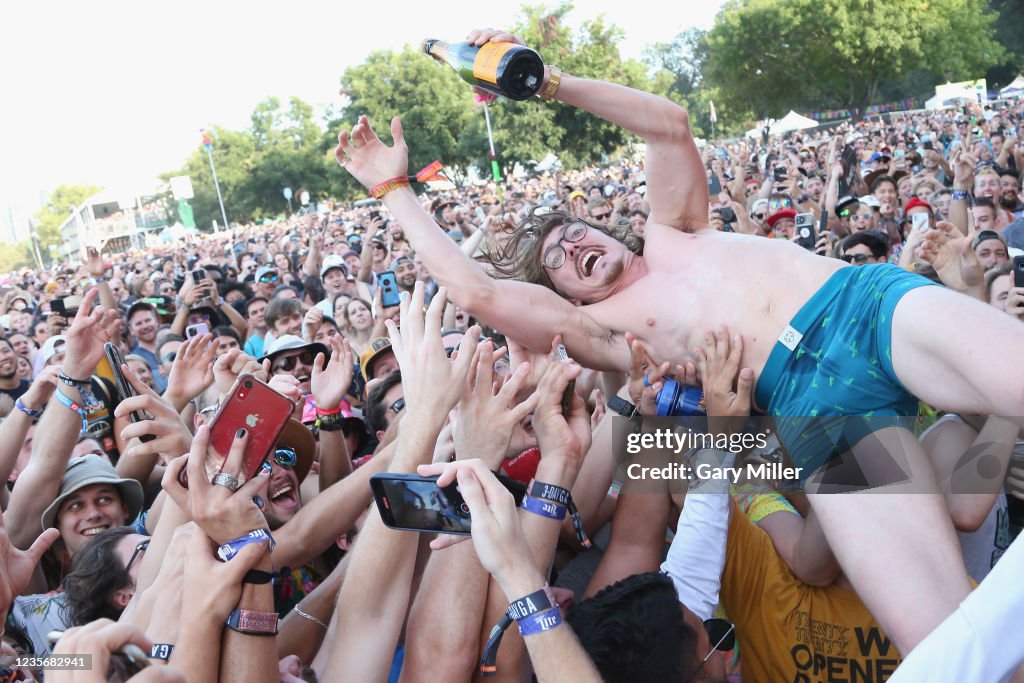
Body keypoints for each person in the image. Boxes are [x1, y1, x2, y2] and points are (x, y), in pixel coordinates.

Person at [333, 26, 1024, 657]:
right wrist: (393, 188)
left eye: (578, 232)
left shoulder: (677, 230)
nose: (575, 246)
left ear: (611, 230)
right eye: (558, 261)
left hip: (864, 309)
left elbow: (668, 125)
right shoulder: (607, 332)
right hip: (819, 415)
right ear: (563, 298)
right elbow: (478, 292)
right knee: (955, 649)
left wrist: (546, 84)